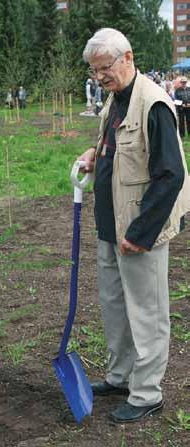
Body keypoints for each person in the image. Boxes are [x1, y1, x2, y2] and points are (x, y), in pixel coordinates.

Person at [78, 28, 190, 424]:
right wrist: (96, 152)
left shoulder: (154, 103)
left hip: (140, 230)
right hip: (110, 226)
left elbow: (171, 175)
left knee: (147, 313)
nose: (100, 77)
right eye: (94, 72)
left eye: (104, 68)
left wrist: (141, 235)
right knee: (114, 309)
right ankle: (120, 376)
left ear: (127, 57)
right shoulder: (116, 98)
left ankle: (146, 393)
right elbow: (117, 142)